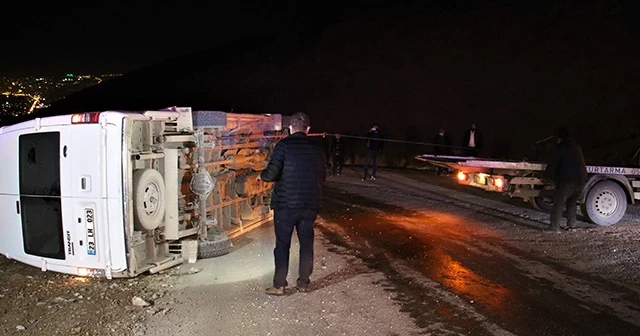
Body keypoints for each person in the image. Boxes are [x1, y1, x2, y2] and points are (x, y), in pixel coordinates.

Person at [258, 112, 326, 295]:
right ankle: (304, 283)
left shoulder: (283, 146)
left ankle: (279, 285)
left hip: (285, 204)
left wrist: (261, 175)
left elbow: (271, 174)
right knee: (306, 243)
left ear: (290, 127)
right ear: (308, 129)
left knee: (282, 244)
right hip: (310, 204)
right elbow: (322, 177)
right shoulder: (318, 149)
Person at [542, 126, 588, 232]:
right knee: (571, 202)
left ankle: (554, 228)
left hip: (567, 180)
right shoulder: (576, 146)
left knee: (558, 203)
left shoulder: (560, 148)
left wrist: (546, 177)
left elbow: (553, 164)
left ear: (559, 138)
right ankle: (571, 225)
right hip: (581, 180)